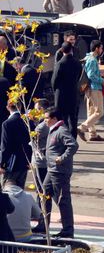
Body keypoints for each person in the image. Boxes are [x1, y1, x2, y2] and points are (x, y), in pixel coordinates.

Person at [43, 107, 78, 239]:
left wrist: (62, 158)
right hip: (51, 170)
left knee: (63, 200)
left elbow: (73, 145)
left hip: (60, 171)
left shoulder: (61, 131)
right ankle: (43, 224)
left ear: (54, 119)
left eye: (47, 118)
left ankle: (68, 230)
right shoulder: (53, 130)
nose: (45, 120)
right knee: (44, 194)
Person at [77, 40, 104, 142]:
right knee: (99, 112)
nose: (102, 50)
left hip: (88, 88)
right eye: (101, 48)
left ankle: (93, 134)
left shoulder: (87, 57)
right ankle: (82, 128)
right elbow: (91, 75)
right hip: (94, 88)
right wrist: (102, 81)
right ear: (97, 48)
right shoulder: (93, 60)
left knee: (91, 112)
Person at [30, 99, 50, 233]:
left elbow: (32, 139)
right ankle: (43, 222)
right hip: (43, 162)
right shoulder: (44, 124)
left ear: (42, 109)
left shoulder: (42, 126)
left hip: (40, 163)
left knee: (41, 193)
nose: (35, 111)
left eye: (37, 109)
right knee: (42, 193)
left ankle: (43, 223)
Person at [0, 102, 32, 188]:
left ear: (7, 107)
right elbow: (30, 143)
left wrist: (2, 164)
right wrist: (29, 160)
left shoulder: (7, 123)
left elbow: (5, 146)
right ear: (20, 107)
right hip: (24, 163)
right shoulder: (27, 122)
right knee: (20, 191)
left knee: (8, 191)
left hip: (11, 165)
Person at [51, 42, 80, 134]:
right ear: (71, 50)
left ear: (62, 50)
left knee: (62, 117)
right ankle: (73, 138)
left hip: (61, 94)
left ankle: (65, 137)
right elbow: (79, 76)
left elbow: (54, 80)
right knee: (73, 117)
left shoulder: (60, 63)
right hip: (73, 93)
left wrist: (55, 90)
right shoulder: (77, 63)